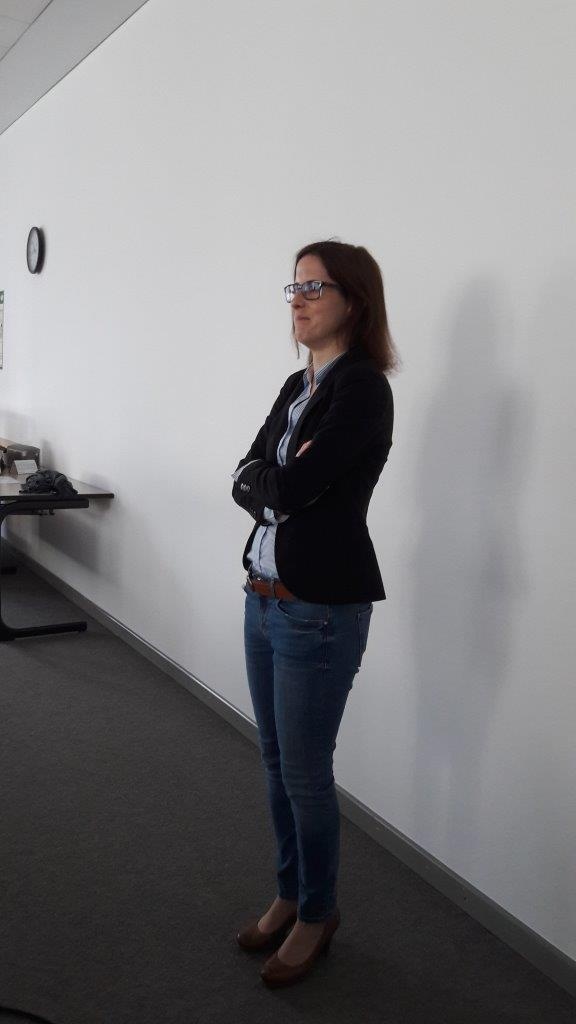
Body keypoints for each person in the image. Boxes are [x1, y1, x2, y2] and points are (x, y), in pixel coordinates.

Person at [231, 239, 400, 987]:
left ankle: (318, 911)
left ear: (353, 300)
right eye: (293, 287)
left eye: (314, 287)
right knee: (274, 762)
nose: (297, 300)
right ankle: (290, 892)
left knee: (304, 774)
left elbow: (292, 489)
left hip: (318, 609)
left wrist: (269, 481)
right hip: (262, 596)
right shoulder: (296, 384)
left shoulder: (362, 389)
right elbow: (246, 474)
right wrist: (268, 479)